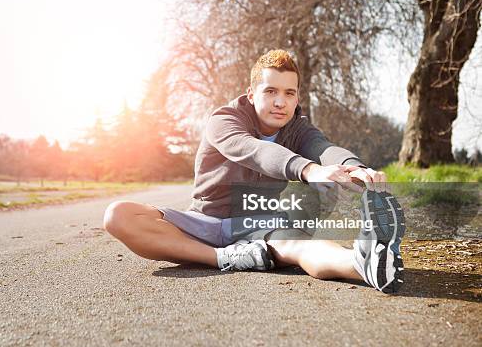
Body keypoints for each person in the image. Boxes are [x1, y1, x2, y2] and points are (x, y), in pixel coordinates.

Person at [103, 49, 405, 294]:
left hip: (257, 224)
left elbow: (323, 148)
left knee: (299, 246)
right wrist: (308, 170)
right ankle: (224, 258)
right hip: (204, 221)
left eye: (289, 93)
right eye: (271, 90)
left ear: (297, 97)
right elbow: (252, 150)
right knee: (118, 215)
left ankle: (363, 264)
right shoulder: (224, 120)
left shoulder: (298, 129)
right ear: (251, 93)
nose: (280, 102)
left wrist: (358, 168)